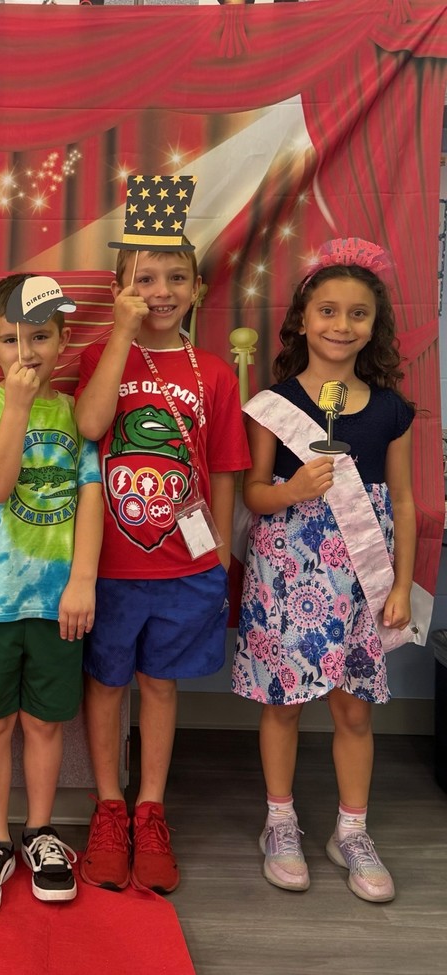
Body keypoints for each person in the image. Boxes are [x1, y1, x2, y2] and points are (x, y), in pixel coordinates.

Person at [74, 196, 250, 894]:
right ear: (121, 289)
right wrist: (119, 336)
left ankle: (150, 806)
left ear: (197, 289)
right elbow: (90, 424)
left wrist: (220, 561)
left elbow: (228, 472)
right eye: (144, 278)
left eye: (175, 277)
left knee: (159, 683)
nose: (161, 292)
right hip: (111, 567)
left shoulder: (215, 373)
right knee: (107, 683)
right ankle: (108, 806)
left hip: (187, 566)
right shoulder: (99, 352)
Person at [233, 238, 415, 903]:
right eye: (329, 311)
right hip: (288, 573)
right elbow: (252, 492)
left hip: (359, 584)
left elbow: (405, 498)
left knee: (354, 710)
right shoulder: (272, 402)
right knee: (283, 704)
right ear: (303, 320)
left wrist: (399, 584)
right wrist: (291, 490)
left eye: (358, 314)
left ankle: (352, 829)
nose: (342, 326)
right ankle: (279, 820)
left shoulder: (392, 409)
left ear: (374, 325)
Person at [0, 273, 103, 917]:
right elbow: (0, 484)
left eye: (39, 337)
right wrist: (13, 405)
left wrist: (83, 580)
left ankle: (40, 832)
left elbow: (92, 496)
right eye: (10, 339)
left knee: (43, 721)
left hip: (57, 599)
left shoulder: (75, 413)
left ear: (63, 342)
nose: (25, 351)